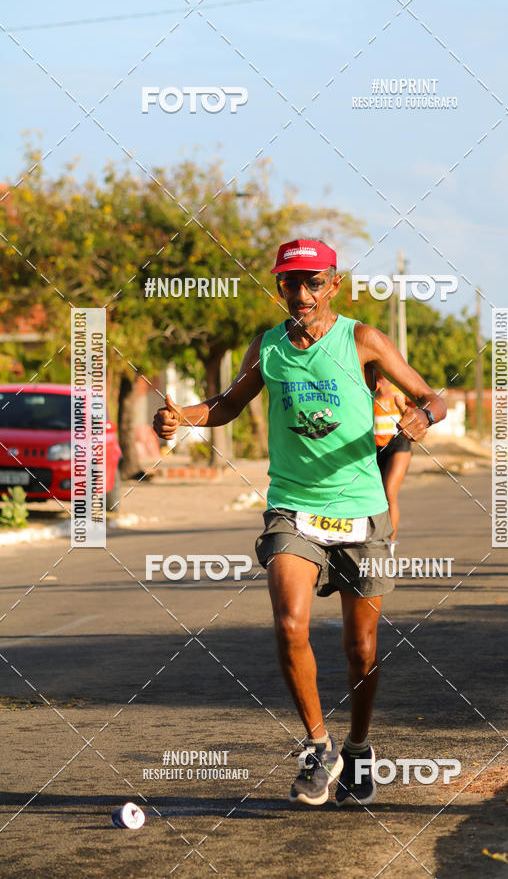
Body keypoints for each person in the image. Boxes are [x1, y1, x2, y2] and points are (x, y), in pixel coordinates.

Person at [153, 238, 446, 806]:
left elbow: (432, 394)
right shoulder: (268, 348)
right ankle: (319, 747)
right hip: (292, 507)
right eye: (290, 282)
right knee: (290, 625)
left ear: (334, 283)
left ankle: (359, 747)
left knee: (360, 647)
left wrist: (422, 416)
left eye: (313, 281)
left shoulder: (362, 340)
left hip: (361, 509)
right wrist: (180, 416)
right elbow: (228, 403)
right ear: (279, 286)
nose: (302, 293)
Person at [374, 373, 412, 541]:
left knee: (389, 492)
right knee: (377, 496)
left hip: (398, 443)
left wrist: (407, 410)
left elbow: (416, 409)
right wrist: (375, 396)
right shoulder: (367, 381)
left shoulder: (402, 382)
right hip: (373, 445)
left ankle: (390, 544)